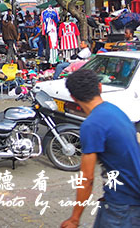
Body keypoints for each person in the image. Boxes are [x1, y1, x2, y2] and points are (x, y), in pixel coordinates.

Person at [60, 69, 140, 228]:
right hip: (129, 198)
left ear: (73, 98)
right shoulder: (114, 110)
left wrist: (75, 218)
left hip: (122, 206)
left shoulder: (92, 124)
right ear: (100, 87)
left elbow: (87, 178)